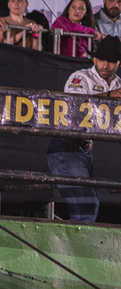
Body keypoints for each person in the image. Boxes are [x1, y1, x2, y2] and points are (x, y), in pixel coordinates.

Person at [47, 37, 121, 222]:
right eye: (101, 59)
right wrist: (111, 95)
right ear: (94, 59)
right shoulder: (80, 78)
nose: (105, 65)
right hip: (65, 147)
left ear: (118, 63)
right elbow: (74, 107)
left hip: (83, 151)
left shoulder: (118, 83)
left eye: (111, 61)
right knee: (86, 206)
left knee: (89, 205)